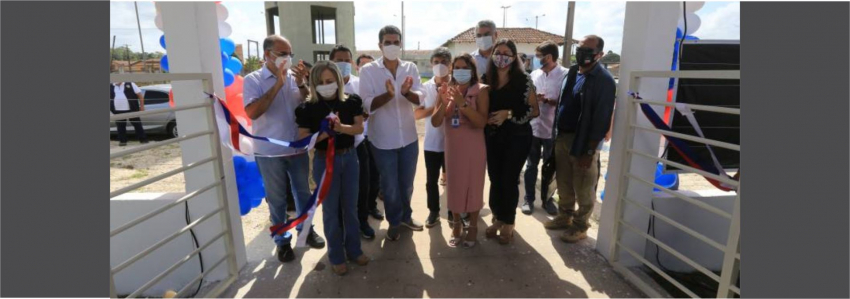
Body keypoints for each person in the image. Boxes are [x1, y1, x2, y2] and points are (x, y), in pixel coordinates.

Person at [243, 35, 325, 263]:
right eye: (282, 53)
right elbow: (253, 112)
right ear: (267, 54)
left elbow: (307, 104)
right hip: (269, 152)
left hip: (296, 148)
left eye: (290, 53)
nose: (288, 58)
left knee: (303, 194)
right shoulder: (254, 80)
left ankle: (306, 231)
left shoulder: (294, 77)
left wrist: (301, 84)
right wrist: (277, 85)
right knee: (277, 199)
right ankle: (282, 241)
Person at [295, 60, 370, 276]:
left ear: (337, 80)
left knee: (350, 208)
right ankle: (336, 255)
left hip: (350, 159)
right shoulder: (307, 108)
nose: (326, 85)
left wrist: (340, 128)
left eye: (329, 81)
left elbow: (358, 128)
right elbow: (302, 139)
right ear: (313, 83)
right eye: (320, 82)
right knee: (330, 211)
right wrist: (327, 133)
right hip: (324, 162)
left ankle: (354, 250)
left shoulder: (351, 101)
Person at [544, 35, 616, 243]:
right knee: (564, 183)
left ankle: (580, 225)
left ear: (600, 55)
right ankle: (564, 217)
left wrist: (590, 151)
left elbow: (602, 118)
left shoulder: (603, 80)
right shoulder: (573, 72)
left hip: (584, 142)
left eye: (588, 50)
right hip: (563, 137)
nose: (582, 52)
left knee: (584, 187)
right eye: (581, 48)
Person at [359, 25, 425, 241]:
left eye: (396, 42)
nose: (392, 46)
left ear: (401, 44)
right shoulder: (368, 71)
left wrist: (407, 93)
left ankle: (406, 216)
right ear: (380, 45)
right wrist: (387, 96)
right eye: (388, 42)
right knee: (390, 185)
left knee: (406, 183)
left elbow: (421, 97)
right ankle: (394, 221)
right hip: (382, 140)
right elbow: (366, 104)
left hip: (408, 138)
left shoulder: (411, 68)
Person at [482, 38, 539, 245]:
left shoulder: (523, 80)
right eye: (498, 52)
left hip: (517, 138)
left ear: (514, 57)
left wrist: (509, 113)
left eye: (507, 53)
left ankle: (509, 222)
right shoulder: (485, 79)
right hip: (492, 137)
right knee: (495, 179)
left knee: (509, 179)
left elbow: (534, 110)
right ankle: (497, 218)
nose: (502, 57)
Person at [431, 53, 490, 248]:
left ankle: (473, 226)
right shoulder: (446, 89)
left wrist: (462, 103)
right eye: (456, 67)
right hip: (453, 146)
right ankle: (456, 224)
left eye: (465, 67)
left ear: (472, 71)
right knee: (454, 184)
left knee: (474, 184)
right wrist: (443, 99)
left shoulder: (481, 91)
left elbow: (481, 122)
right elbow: (436, 121)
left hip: (474, 146)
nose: (460, 71)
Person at [330, 44, 380, 239]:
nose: (342, 64)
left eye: (345, 60)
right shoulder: (325, 86)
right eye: (338, 60)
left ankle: (362, 221)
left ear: (351, 62)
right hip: (333, 147)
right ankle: (341, 227)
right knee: (339, 192)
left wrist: (364, 115)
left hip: (359, 143)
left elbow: (368, 108)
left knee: (363, 185)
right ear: (331, 62)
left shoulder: (359, 84)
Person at [523, 41, 567, 216]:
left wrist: (550, 101)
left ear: (548, 57)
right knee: (531, 165)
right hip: (533, 128)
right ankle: (529, 199)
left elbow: (567, 102)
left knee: (550, 167)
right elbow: (526, 98)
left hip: (552, 130)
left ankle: (547, 200)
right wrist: (534, 99)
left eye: (539, 56)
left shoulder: (565, 75)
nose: (537, 59)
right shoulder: (534, 75)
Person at [414, 47, 452, 228]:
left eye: (444, 62)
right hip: (432, 142)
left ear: (450, 65)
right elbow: (417, 114)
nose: (440, 66)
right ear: (431, 64)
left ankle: (454, 212)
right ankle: (434, 211)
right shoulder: (425, 87)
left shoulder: (458, 86)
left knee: (454, 179)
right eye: (436, 62)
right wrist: (439, 105)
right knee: (431, 181)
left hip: (454, 142)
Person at [110, 81, 149, 146]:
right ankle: (123, 141)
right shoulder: (110, 86)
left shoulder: (130, 84)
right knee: (120, 127)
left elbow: (140, 95)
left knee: (137, 125)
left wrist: (142, 106)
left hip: (132, 109)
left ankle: (143, 139)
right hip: (117, 110)